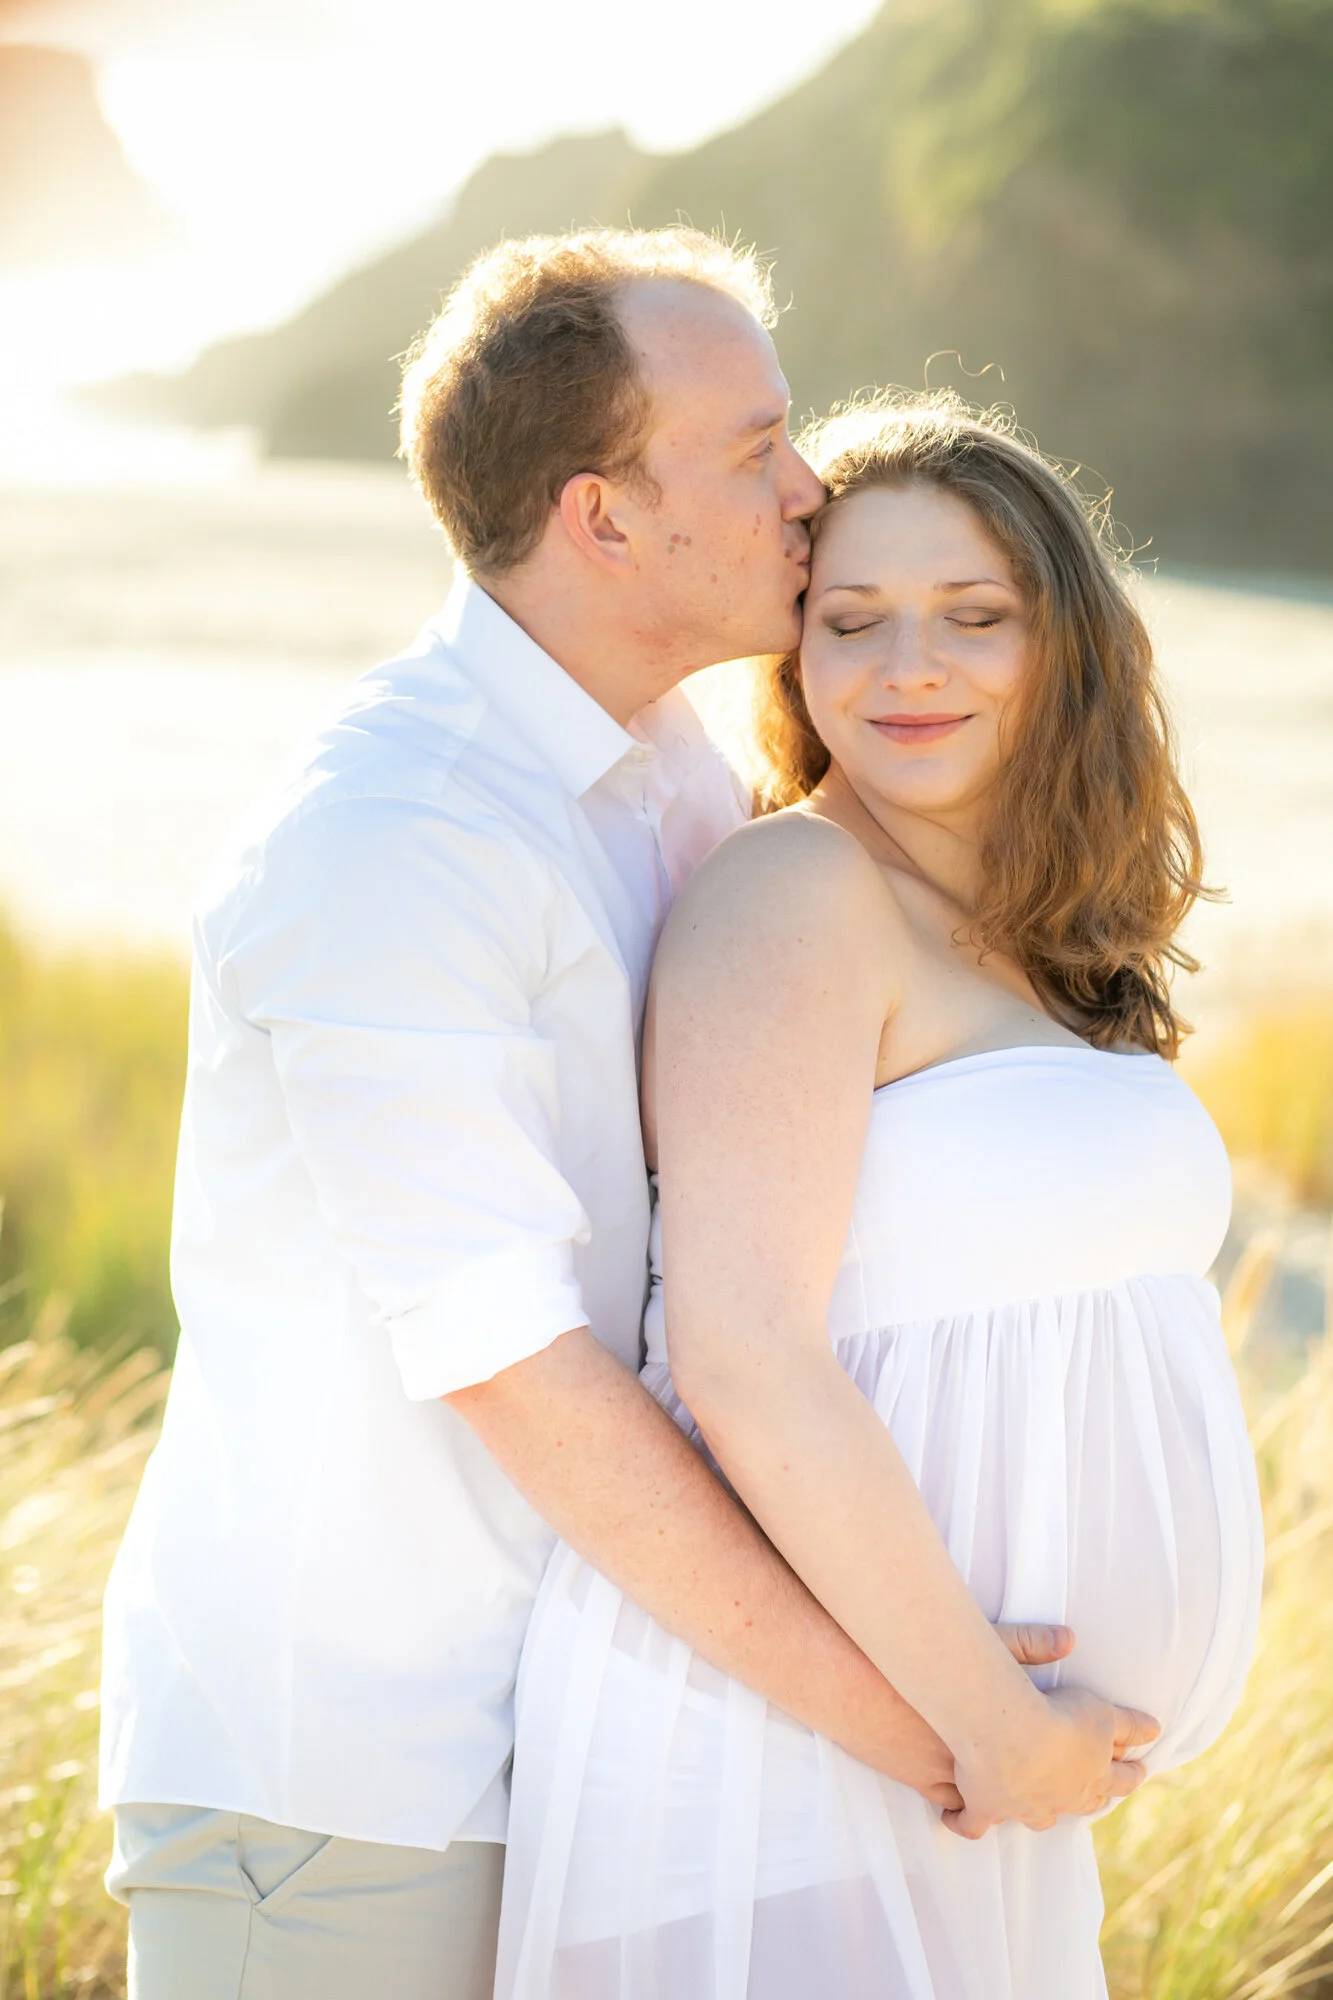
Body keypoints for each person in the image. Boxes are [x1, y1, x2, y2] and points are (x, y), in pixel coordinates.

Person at [97, 233, 1147, 2000]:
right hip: (359, 1788)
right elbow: (529, 1378)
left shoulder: (666, 767)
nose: (808, 488)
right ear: (603, 518)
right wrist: (940, 1726)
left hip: (601, 1740)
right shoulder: (395, 843)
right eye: (755, 449)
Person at [494, 393, 1265, 1998]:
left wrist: (1014, 1747)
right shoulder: (798, 893)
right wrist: (991, 1729)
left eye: (972, 616)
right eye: (851, 620)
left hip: (976, 1771)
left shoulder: (1042, 939)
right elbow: (745, 1357)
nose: (907, 664)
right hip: (795, 1758)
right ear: (796, 657)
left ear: (1071, 647)